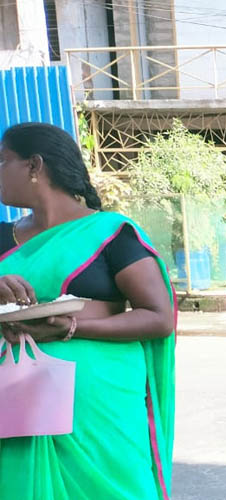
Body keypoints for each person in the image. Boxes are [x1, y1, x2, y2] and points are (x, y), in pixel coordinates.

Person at [0, 122, 176, 499]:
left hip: (100, 406)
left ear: (34, 165)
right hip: (16, 403)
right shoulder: (2, 237)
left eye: (3, 161)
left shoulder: (111, 233)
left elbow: (158, 316)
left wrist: (71, 328)